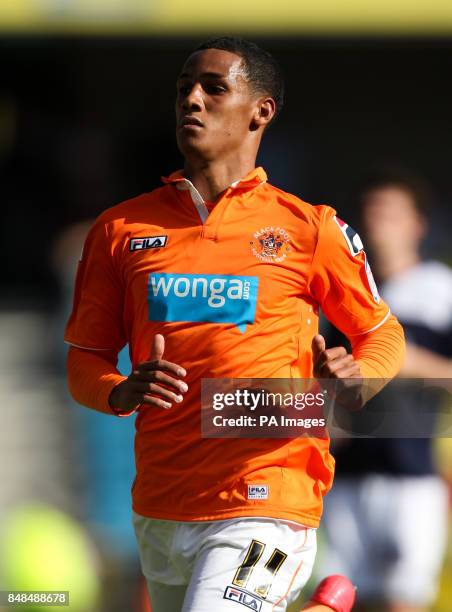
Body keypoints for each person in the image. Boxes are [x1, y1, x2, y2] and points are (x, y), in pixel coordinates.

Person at [64, 37, 405, 611]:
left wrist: (358, 378)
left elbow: (382, 333)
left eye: (214, 89)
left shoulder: (308, 228)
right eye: (183, 90)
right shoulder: (118, 230)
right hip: (162, 505)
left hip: (267, 499)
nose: (191, 101)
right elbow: (83, 362)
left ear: (260, 111)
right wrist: (119, 390)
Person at [321, 169, 452, 611]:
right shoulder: (344, 295)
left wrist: (411, 363)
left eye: (390, 213)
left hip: (411, 477)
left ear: (418, 224)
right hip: (344, 477)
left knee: (403, 602)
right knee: (338, 600)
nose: (378, 223)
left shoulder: (440, 291)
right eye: (371, 213)